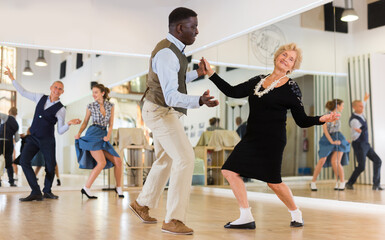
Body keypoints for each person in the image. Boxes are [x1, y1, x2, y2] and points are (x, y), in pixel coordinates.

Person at [202, 43, 339, 229]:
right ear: (276, 57)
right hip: (251, 138)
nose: (285, 59)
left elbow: (302, 120)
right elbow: (232, 92)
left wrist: (321, 118)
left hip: (273, 140)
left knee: (273, 182)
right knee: (229, 170)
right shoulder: (257, 80)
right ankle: (246, 216)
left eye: (290, 59)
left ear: (292, 67)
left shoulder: (291, 87)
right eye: (283, 55)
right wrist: (211, 73)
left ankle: (295, 213)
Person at [129, 7, 218, 235]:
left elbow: (174, 79)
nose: (197, 31)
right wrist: (199, 100)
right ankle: (173, 219)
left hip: (157, 108)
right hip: (160, 111)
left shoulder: (173, 50)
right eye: (193, 26)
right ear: (180, 28)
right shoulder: (168, 53)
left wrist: (196, 74)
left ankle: (142, 204)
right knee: (186, 158)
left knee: (165, 159)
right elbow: (170, 96)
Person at [4, 66, 81, 201]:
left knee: (50, 166)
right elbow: (22, 92)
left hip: (47, 140)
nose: (57, 90)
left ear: (62, 92)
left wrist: (68, 124)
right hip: (33, 138)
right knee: (23, 160)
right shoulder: (39, 97)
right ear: (51, 87)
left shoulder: (61, 109)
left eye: (60, 89)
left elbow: (60, 130)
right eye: (55, 87)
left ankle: (47, 191)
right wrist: (12, 78)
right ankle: (35, 191)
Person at [75, 84, 123, 199]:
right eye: (93, 92)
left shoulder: (110, 105)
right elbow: (86, 122)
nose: (94, 95)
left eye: (96, 92)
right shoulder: (90, 106)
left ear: (102, 93)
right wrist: (79, 133)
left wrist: (108, 135)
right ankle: (86, 188)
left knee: (118, 161)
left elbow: (111, 124)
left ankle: (119, 188)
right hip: (92, 134)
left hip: (103, 135)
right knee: (101, 163)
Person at [310, 99, 350, 191]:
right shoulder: (327, 115)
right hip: (327, 139)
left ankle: (341, 182)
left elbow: (337, 130)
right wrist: (332, 142)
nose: (343, 107)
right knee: (322, 160)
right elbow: (325, 131)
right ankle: (313, 182)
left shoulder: (338, 116)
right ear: (337, 105)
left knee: (335, 161)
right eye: (342, 105)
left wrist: (341, 140)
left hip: (338, 137)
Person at [346, 94, 383, 190]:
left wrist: (365, 100)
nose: (362, 107)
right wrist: (359, 132)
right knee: (362, 167)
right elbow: (353, 136)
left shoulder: (360, 114)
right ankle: (349, 183)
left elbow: (362, 105)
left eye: (362, 106)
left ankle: (376, 185)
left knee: (377, 161)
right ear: (354, 107)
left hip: (366, 144)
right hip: (359, 145)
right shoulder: (354, 120)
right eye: (360, 106)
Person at [0, 107, 20, 187]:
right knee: (9, 162)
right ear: (16, 114)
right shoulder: (16, 124)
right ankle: (11, 181)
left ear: (9, 112)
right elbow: (17, 139)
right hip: (9, 142)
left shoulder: (6, 117)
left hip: (0, 141)